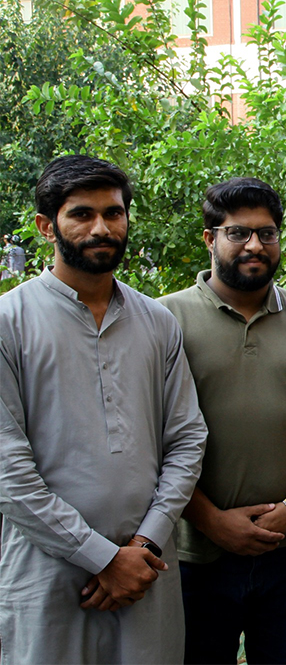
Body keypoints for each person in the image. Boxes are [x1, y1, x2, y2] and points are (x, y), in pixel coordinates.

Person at [0, 154, 207, 664]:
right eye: (82, 214)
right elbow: (8, 470)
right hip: (45, 573)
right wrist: (102, 557)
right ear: (47, 226)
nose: (101, 227)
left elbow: (187, 438)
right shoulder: (10, 322)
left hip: (147, 572)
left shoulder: (157, 322)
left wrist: (145, 545)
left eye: (113, 213)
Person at [159, 178, 286, 664]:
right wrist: (211, 521)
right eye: (238, 233)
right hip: (196, 553)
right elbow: (150, 437)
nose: (255, 245)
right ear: (210, 238)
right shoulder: (164, 320)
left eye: (267, 233)